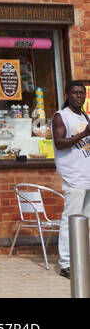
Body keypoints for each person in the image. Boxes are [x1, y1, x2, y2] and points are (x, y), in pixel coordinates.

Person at [54, 81, 90, 277]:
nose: (79, 96)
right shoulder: (62, 116)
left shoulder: (85, 116)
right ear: (67, 94)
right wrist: (84, 133)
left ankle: (83, 259)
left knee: (87, 223)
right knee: (71, 221)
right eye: (75, 93)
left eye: (82, 93)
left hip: (88, 177)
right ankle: (66, 263)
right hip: (74, 178)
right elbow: (60, 143)